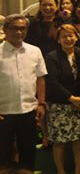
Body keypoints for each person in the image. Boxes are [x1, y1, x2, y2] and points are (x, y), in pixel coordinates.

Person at [0, 14, 47, 172]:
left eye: (22, 28)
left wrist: (41, 103)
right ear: (5, 30)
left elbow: (40, 79)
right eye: (14, 28)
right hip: (3, 112)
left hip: (28, 110)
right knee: (3, 156)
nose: (19, 32)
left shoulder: (35, 51)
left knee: (28, 154)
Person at [45, 24, 80, 174]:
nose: (68, 39)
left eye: (71, 35)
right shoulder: (51, 57)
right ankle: (61, 172)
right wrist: (71, 98)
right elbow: (52, 82)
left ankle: (78, 171)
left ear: (76, 37)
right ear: (58, 40)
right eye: (64, 36)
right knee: (60, 142)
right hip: (60, 105)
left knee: (78, 140)